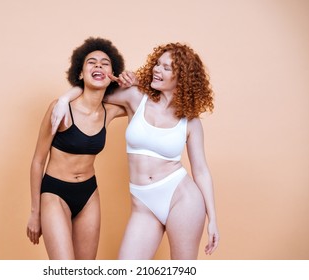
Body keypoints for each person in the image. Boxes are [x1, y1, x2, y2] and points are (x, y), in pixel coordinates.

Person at [52, 42, 219, 259]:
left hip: (182, 198)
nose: (157, 70)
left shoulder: (191, 123)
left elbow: (201, 171)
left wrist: (212, 218)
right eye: (157, 64)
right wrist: (64, 99)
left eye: (166, 68)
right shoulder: (135, 98)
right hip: (143, 204)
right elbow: (92, 89)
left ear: (182, 78)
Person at [26, 37, 126, 259]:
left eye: (105, 63)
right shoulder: (61, 110)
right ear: (80, 72)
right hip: (55, 194)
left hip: (89, 195)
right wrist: (35, 213)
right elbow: (37, 161)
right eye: (91, 62)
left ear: (112, 74)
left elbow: (144, 99)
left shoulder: (109, 112)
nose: (98, 65)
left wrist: (128, 81)